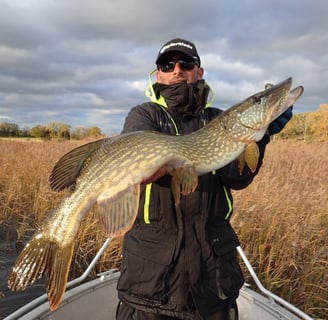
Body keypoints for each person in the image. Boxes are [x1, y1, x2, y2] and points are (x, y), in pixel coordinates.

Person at [116, 38, 292, 320]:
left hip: (213, 280)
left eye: (186, 63)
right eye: (167, 64)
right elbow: (139, 165)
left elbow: (237, 179)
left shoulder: (218, 120)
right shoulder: (144, 116)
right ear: (158, 73)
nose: (177, 70)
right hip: (150, 283)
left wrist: (262, 137)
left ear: (199, 71)